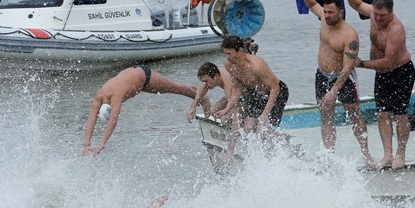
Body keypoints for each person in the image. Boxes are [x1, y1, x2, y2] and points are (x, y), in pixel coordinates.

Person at [334, 0, 415, 170]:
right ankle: (387, 154)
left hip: (401, 72)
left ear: (391, 13)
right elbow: (357, 5)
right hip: (382, 74)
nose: (378, 19)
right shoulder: (373, 13)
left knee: (400, 115)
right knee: (382, 113)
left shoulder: (396, 30)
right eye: (376, 15)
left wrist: (361, 64)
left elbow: (389, 62)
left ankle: (400, 154)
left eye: (382, 16)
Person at [297, 0, 374, 167]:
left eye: (331, 12)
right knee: (325, 115)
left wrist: (333, 91)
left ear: (341, 12)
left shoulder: (350, 35)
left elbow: (348, 68)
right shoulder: (323, 18)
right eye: (325, 11)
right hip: (322, 74)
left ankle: (366, 153)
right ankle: (328, 155)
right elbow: (311, 3)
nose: (327, 15)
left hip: (344, 78)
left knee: (354, 114)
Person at [82, 66, 210, 156]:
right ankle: (190, 89)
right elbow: (91, 120)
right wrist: (86, 144)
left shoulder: (116, 96)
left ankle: (203, 98)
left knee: (173, 88)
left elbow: (113, 121)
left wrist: (102, 143)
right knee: (170, 88)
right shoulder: (98, 98)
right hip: (136, 83)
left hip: (144, 75)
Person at [214, 35, 289, 159]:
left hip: (277, 93)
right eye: (225, 54)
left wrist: (264, 115)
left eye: (230, 54)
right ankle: (256, 156)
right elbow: (237, 88)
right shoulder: (230, 65)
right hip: (257, 93)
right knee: (248, 127)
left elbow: (275, 88)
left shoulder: (257, 64)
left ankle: (282, 143)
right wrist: (226, 109)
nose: (227, 57)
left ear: (240, 51)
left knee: (262, 128)